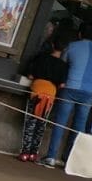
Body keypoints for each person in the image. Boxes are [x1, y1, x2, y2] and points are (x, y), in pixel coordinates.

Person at [40, 22, 92, 168]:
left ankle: (50, 157)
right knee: (79, 127)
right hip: (89, 91)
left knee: (60, 123)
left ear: (80, 34)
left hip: (70, 87)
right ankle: (69, 160)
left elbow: (63, 63)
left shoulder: (73, 46)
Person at [17, 32, 68, 161]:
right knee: (41, 124)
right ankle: (34, 153)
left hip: (36, 92)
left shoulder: (40, 58)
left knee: (30, 122)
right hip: (50, 95)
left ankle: (24, 153)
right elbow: (62, 85)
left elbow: (30, 76)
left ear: (51, 45)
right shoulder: (63, 66)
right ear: (64, 49)